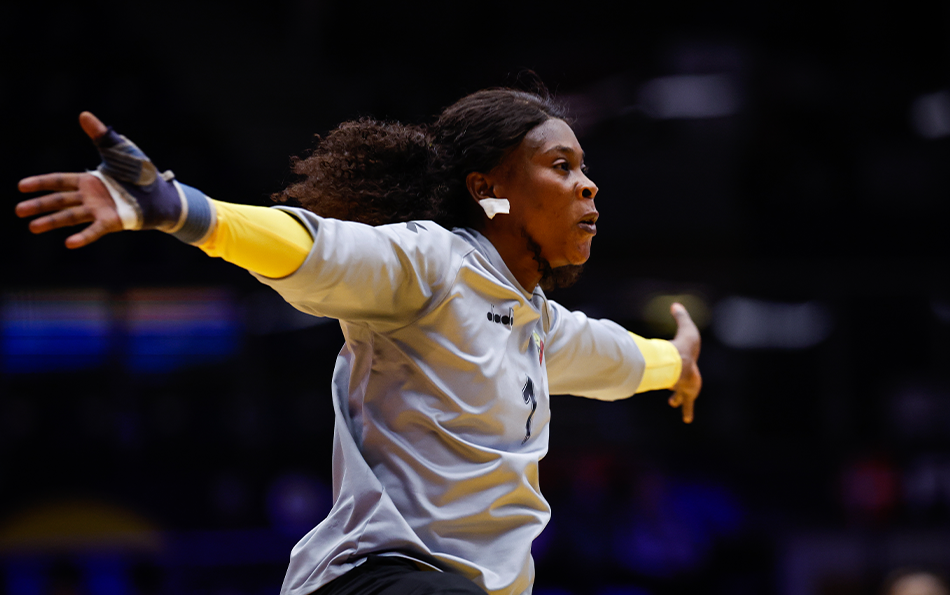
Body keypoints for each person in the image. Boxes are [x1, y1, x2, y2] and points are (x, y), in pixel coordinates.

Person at [15, 87, 702, 595]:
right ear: (489, 191)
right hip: (376, 579)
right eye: (562, 165)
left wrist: (677, 363)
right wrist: (181, 210)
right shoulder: (431, 264)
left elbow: (622, 359)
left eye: (583, 168)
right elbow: (314, 249)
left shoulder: (539, 325)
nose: (588, 185)